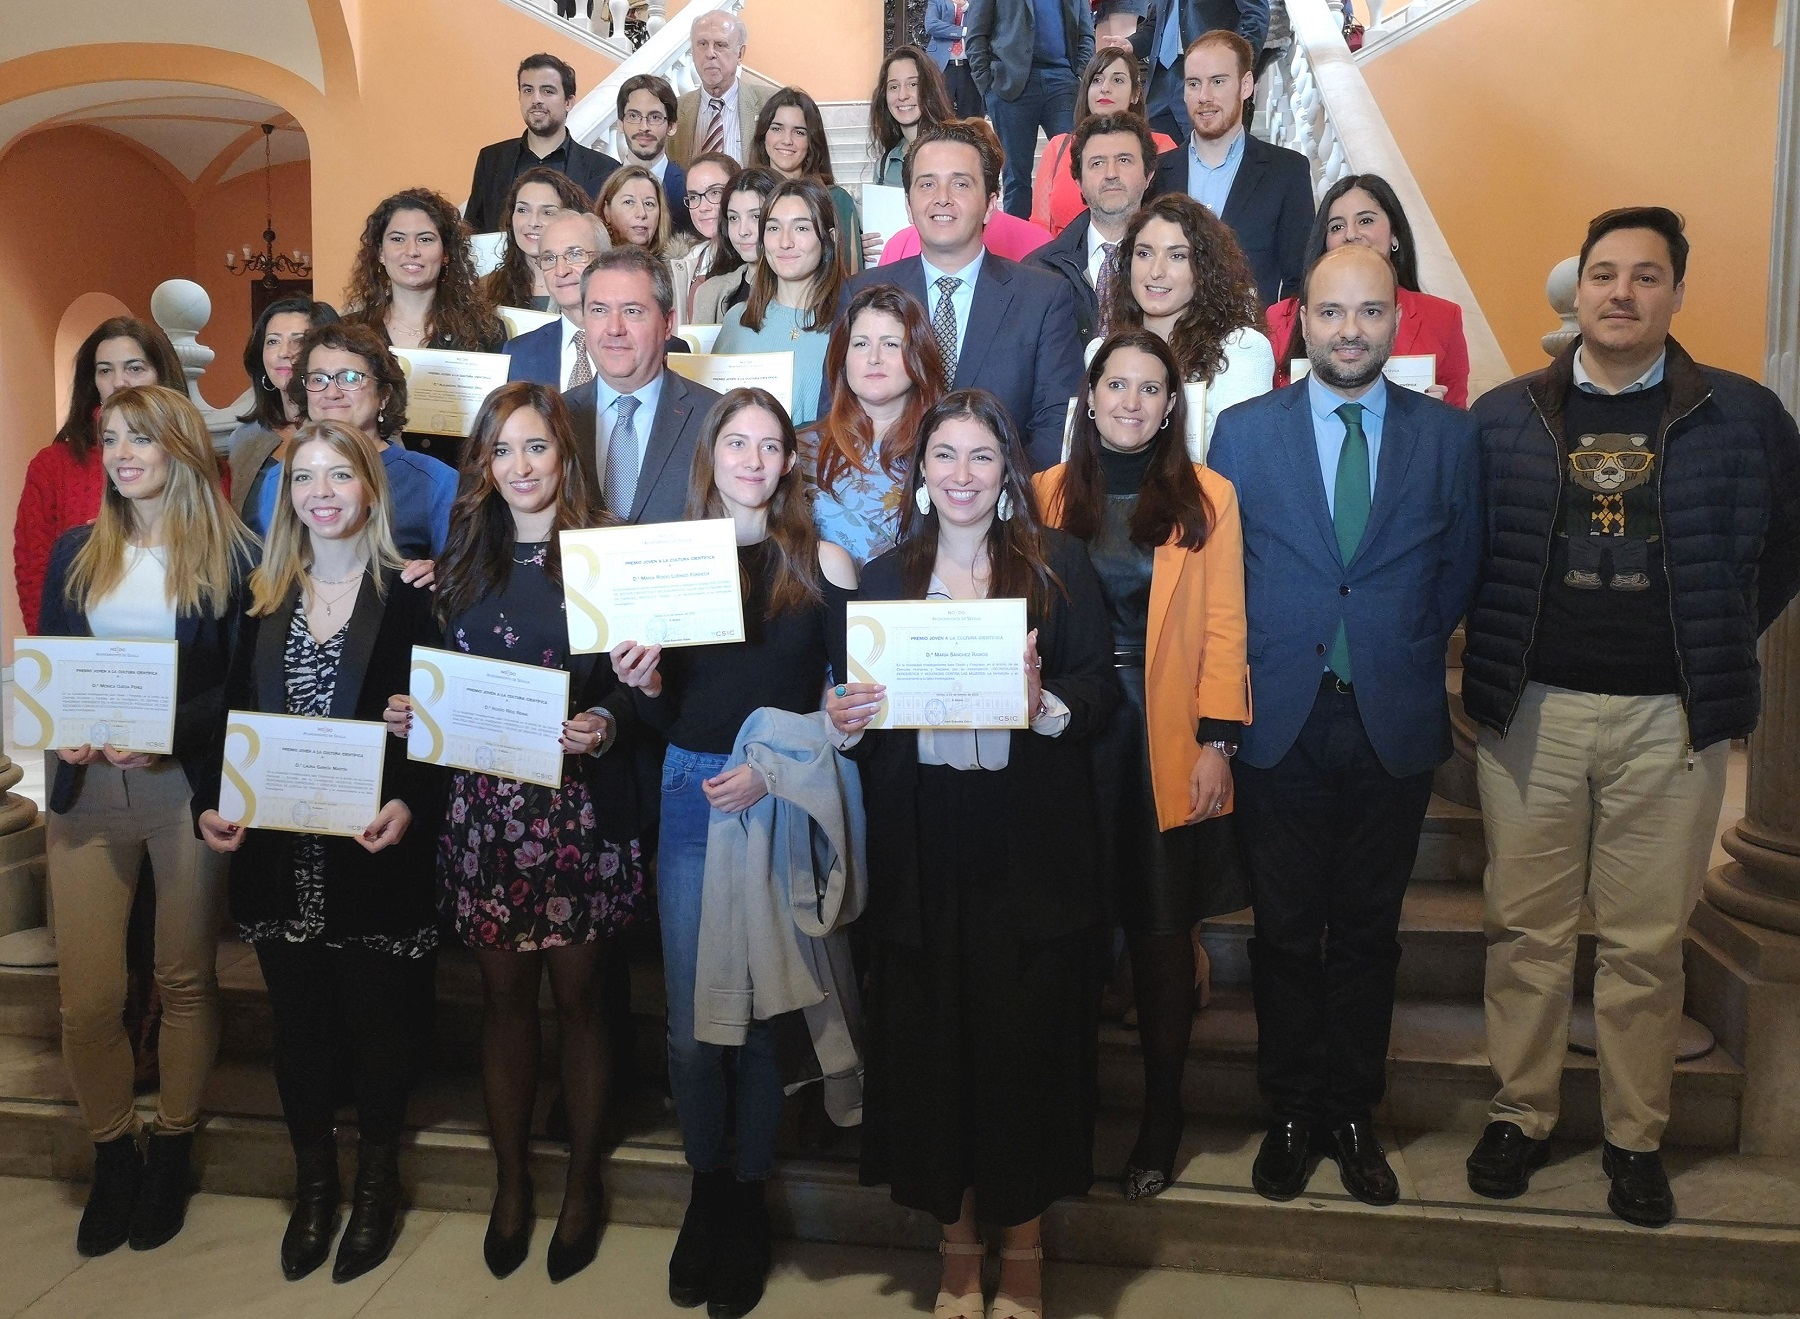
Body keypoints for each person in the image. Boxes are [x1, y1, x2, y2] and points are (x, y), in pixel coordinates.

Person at [1461, 208, 1800, 1227]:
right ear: (1578, 292)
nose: (1621, 293)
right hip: (1533, 713)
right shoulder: (1503, 415)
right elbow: (1468, 546)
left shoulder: (1743, 418)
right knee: (1525, 929)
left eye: (1645, 276)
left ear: (1677, 293)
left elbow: (1783, 546)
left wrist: (1722, 627)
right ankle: (1521, 1111)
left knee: (1647, 944)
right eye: (1604, 274)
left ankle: (1632, 1134)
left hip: (1672, 718)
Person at [827, 389, 1119, 1319]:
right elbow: (865, 722)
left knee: (1024, 1049)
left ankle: (1024, 1254)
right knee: (930, 1052)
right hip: (924, 846)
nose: (960, 474)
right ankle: (956, 1251)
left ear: (1007, 476)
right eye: (943, 456)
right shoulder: (881, 580)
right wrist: (845, 723)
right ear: (921, 476)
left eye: (980, 457)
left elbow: (1099, 694)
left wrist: (1043, 705)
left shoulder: (1059, 565)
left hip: (1025, 844)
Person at [1206, 244, 1480, 1208]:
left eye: (1369, 312)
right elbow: (1220, 577)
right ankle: (1288, 1111)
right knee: (1283, 932)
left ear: (1396, 319)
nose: (1350, 330)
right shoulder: (1242, 434)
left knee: (1368, 933)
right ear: (1300, 323)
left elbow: (1460, 568)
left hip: (1390, 721)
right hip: (1280, 718)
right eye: (1331, 313)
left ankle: (1354, 1111)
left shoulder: (1448, 439)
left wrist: (1394, 640)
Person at [382, 383, 649, 1281]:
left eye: (537, 448)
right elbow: (439, 685)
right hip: (487, 816)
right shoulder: (459, 558)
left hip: (576, 812)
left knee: (580, 1000)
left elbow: (640, 681)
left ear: (564, 457)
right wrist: (411, 711)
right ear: (483, 466)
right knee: (503, 1002)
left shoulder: (608, 551)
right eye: (503, 451)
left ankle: (581, 1182)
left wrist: (608, 721)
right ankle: (509, 1183)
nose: (521, 467)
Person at [609, 388, 857, 1317]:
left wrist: (774, 761)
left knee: (755, 1018)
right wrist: (639, 684)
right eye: (735, 443)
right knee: (687, 1026)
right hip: (690, 792)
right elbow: (668, 716)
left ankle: (748, 1200)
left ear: (788, 461)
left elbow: (847, 704)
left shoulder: (819, 558)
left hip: (776, 791)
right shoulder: (670, 561)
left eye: (769, 445)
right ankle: (704, 1189)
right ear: (708, 455)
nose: (753, 459)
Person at [197, 420, 442, 1284]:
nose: (323, 492)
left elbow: (437, 735)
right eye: (306, 478)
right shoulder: (263, 597)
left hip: (373, 856)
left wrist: (411, 800)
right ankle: (314, 1188)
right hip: (277, 857)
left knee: (378, 1030)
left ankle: (375, 1189)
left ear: (370, 488)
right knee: (298, 1033)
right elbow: (230, 721)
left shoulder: (412, 598)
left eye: (341, 475)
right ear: (286, 494)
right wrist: (209, 806)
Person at [38, 385, 255, 1258]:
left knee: (186, 976)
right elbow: (53, 671)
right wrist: (68, 730)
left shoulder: (233, 556)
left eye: (143, 437)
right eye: (113, 437)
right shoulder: (72, 553)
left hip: (180, 787)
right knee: (88, 997)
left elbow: (237, 689)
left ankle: (171, 1144)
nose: (125, 452)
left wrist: (165, 731)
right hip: (87, 794)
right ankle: (111, 1151)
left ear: (180, 446)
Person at [1033, 330, 1247, 1202]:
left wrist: (1217, 742)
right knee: (1072, 936)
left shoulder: (1208, 496)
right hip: (1067, 733)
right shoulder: (1045, 493)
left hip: (1162, 735)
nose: (1130, 401)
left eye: (1149, 388)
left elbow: (1227, 621)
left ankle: (1163, 1115)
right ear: (1089, 397)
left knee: (1162, 939)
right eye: (1115, 384)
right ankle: (1067, 1115)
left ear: (1172, 405)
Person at [839, 120, 1085, 471]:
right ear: (908, 204)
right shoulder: (862, 294)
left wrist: (999, 496)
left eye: (960, 183)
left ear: (989, 203)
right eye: (927, 184)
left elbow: (1056, 422)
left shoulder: (1043, 298)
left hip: (1004, 508)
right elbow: (838, 412)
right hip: (884, 506)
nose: (942, 197)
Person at [16, 317, 185, 634]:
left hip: (181, 641)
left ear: (162, 375)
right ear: (92, 380)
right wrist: (52, 655)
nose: (119, 382)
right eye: (105, 370)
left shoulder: (201, 461)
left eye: (134, 368)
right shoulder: (52, 465)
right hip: (83, 645)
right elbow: (33, 570)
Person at [248, 322, 456, 559]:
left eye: (349, 378)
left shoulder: (435, 481)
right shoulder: (280, 479)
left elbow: (458, 580)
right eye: (318, 379)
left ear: (384, 396)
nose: (331, 392)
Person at [1265, 174, 1471, 407]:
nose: (1350, 234)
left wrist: (1436, 416)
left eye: (1365, 221)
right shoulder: (1280, 318)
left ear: (1394, 234)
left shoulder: (1443, 317)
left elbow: (1458, 417)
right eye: (1337, 226)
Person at [343, 187, 506, 466]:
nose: (412, 251)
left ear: (446, 254)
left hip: (461, 488)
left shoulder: (486, 331)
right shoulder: (349, 333)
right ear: (380, 253)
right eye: (397, 239)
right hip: (366, 483)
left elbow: (499, 423)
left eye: (426, 239)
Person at [1105, 193, 1274, 456]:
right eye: (1144, 253)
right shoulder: (1102, 351)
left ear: (1205, 269)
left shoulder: (1241, 349)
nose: (1156, 271)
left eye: (1177, 256)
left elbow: (1245, 460)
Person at [564, 246, 725, 524]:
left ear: (667, 324)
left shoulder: (714, 416)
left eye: (632, 311)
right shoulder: (556, 416)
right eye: (599, 310)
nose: (614, 328)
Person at [1151, 31, 1311, 306]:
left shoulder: (1287, 172)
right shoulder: (1157, 174)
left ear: (1245, 85)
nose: (1204, 96)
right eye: (1193, 84)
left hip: (1254, 341)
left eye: (1218, 81)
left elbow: (1300, 280)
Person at [801, 284, 949, 565]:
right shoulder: (800, 450)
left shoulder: (945, 452)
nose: (873, 358)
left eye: (891, 344)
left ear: (918, 355)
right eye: (860, 344)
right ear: (842, 359)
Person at [715, 178, 845, 429]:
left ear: (829, 238)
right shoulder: (736, 320)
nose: (785, 242)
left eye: (801, 228)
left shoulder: (851, 323)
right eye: (774, 228)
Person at [1027, 112, 1156, 345]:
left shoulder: (1181, 267)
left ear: (1149, 176)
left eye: (1124, 160)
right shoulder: (1040, 271)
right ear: (1079, 182)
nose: (1111, 174)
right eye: (1097, 163)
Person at [966, 0, 1097, 218]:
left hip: (1064, 82)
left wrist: (1081, 75)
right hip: (1010, 86)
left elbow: (1085, 33)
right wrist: (988, 87)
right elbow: (976, 35)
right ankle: (1018, 248)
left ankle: (1073, 245)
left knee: (1074, 168)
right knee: (1016, 178)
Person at [465, 53, 621, 232]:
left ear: (568, 102)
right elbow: (473, 231)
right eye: (528, 90)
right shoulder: (492, 160)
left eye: (548, 91)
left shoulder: (604, 169)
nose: (536, 99)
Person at [1031, 47, 1177, 236]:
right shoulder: (1059, 147)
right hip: (1063, 261)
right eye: (1097, 80)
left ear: (1135, 94)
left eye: (1117, 80)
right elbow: (1040, 227)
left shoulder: (1162, 146)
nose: (1105, 88)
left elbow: (1173, 221)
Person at [227, 299, 341, 539]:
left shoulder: (355, 429)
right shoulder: (246, 437)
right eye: (272, 341)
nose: (284, 353)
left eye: (298, 340)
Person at [750, 87, 865, 274]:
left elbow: (851, 280)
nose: (787, 140)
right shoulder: (747, 199)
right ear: (763, 137)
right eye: (777, 128)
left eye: (799, 132)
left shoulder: (836, 200)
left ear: (811, 143)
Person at [1125, 0, 1272, 144]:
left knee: (1212, 154)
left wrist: (1236, 61)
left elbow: (1256, 14)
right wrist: (1131, 44)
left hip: (1208, 78)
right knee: (1159, 161)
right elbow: (1156, 25)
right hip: (1159, 81)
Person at [505, 210, 612, 389]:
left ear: (605, 260)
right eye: (549, 258)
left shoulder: (646, 344)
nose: (561, 271)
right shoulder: (519, 353)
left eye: (575, 254)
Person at [481, 167, 595, 313]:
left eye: (547, 212)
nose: (533, 222)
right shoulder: (485, 289)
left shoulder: (589, 283)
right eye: (523, 210)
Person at [670, 11, 770, 166]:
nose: (710, 54)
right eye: (702, 44)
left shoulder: (769, 105)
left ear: (740, 54)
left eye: (720, 45)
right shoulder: (674, 110)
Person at [690, 166, 779, 326]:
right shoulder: (709, 293)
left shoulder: (802, 291)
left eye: (756, 216)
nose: (742, 231)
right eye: (733, 218)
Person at [869, 44, 956, 190]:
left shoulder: (955, 152)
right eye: (894, 87)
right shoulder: (885, 165)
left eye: (913, 84)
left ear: (929, 89)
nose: (902, 96)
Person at [669, 152, 741, 323]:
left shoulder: (754, 260)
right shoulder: (686, 261)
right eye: (694, 197)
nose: (703, 207)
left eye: (715, 192)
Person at [617, 73, 690, 234]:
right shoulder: (596, 189)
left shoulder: (689, 191)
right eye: (633, 116)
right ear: (620, 124)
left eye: (655, 117)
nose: (643, 127)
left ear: (671, 127)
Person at [925, 0, 985, 117]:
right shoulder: (937, 2)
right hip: (943, 66)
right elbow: (931, 25)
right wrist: (962, 31)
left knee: (971, 116)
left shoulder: (975, 3)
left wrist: (966, 7)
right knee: (940, 113)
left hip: (970, 66)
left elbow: (981, 24)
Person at [598, 164, 673, 257]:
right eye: (628, 202)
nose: (642, 213)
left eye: (649, 203)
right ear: (606, 211)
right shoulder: (588, 265)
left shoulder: (678, 268)